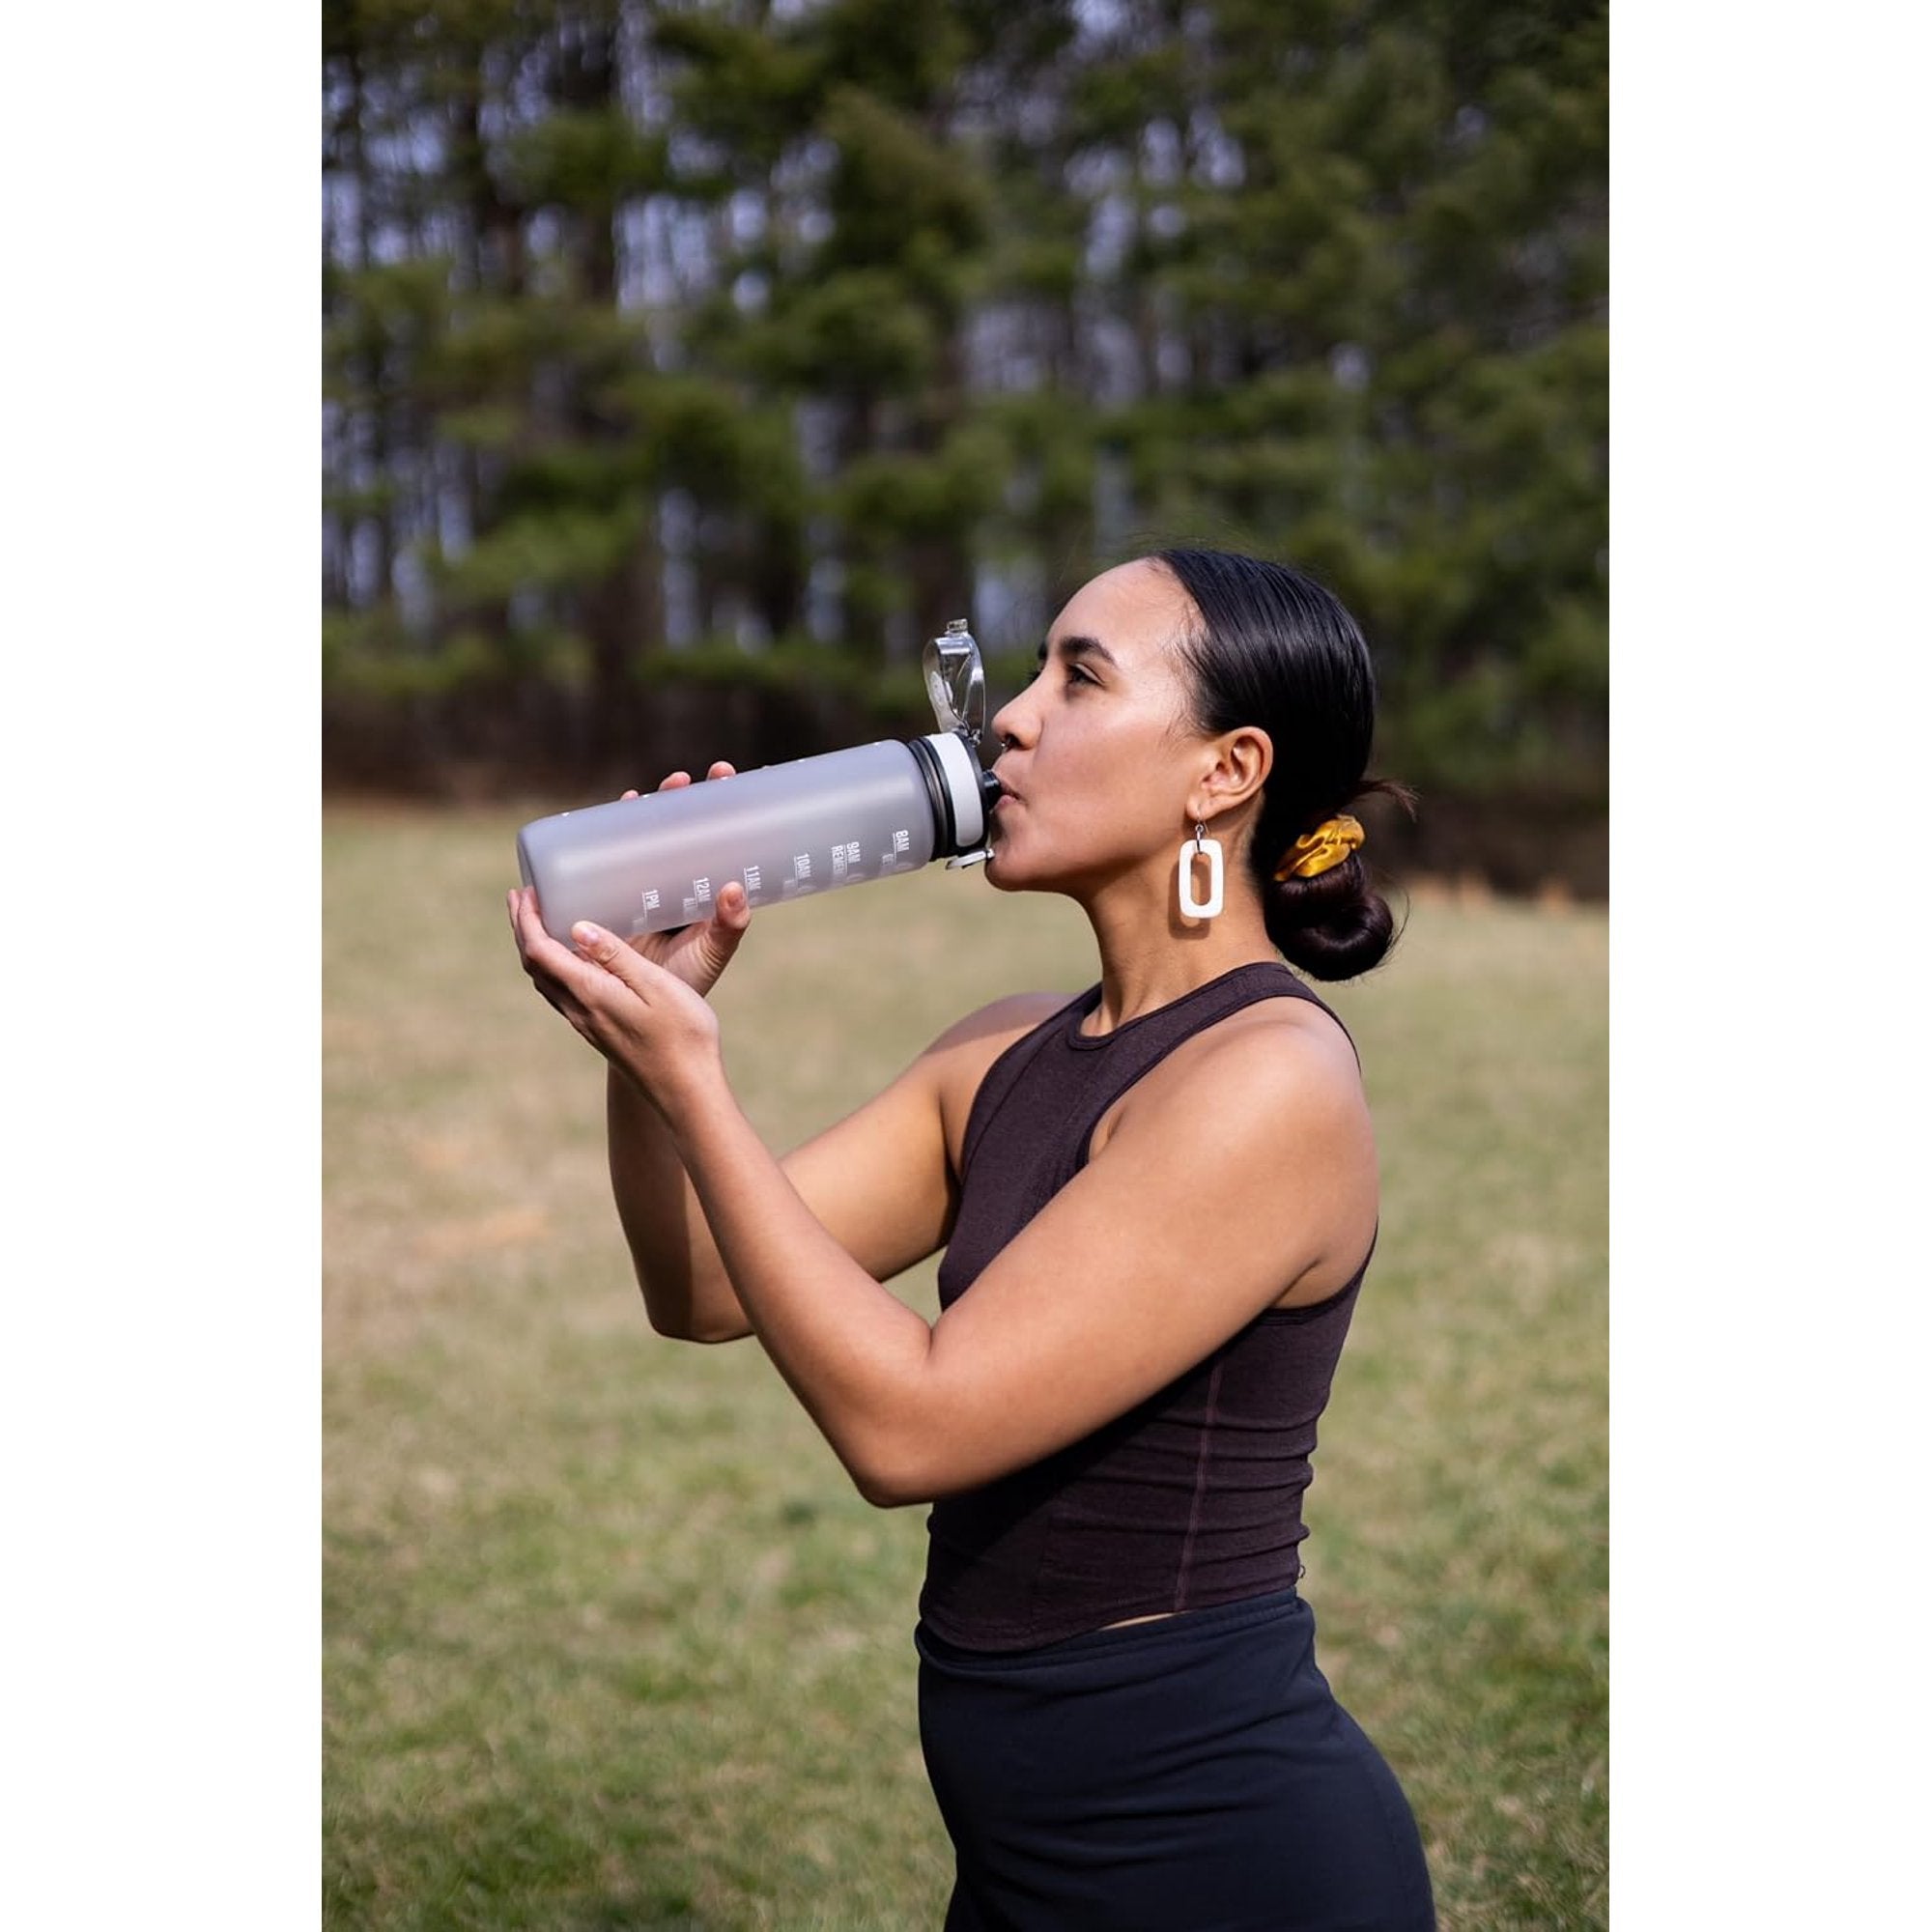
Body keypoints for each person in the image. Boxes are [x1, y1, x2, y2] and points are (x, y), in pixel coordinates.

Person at [508, 547, 1436, 1931]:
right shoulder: (1005, 1051)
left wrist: (697, 1081)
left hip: (1218, 1861)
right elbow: (700, 1283)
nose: (1010, 716)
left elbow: (911, 1433)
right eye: (1031, 669)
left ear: (1225, 771)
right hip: (1022, 1870)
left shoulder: (1267, 1081)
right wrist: (644, 1041)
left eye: (1081, 678)